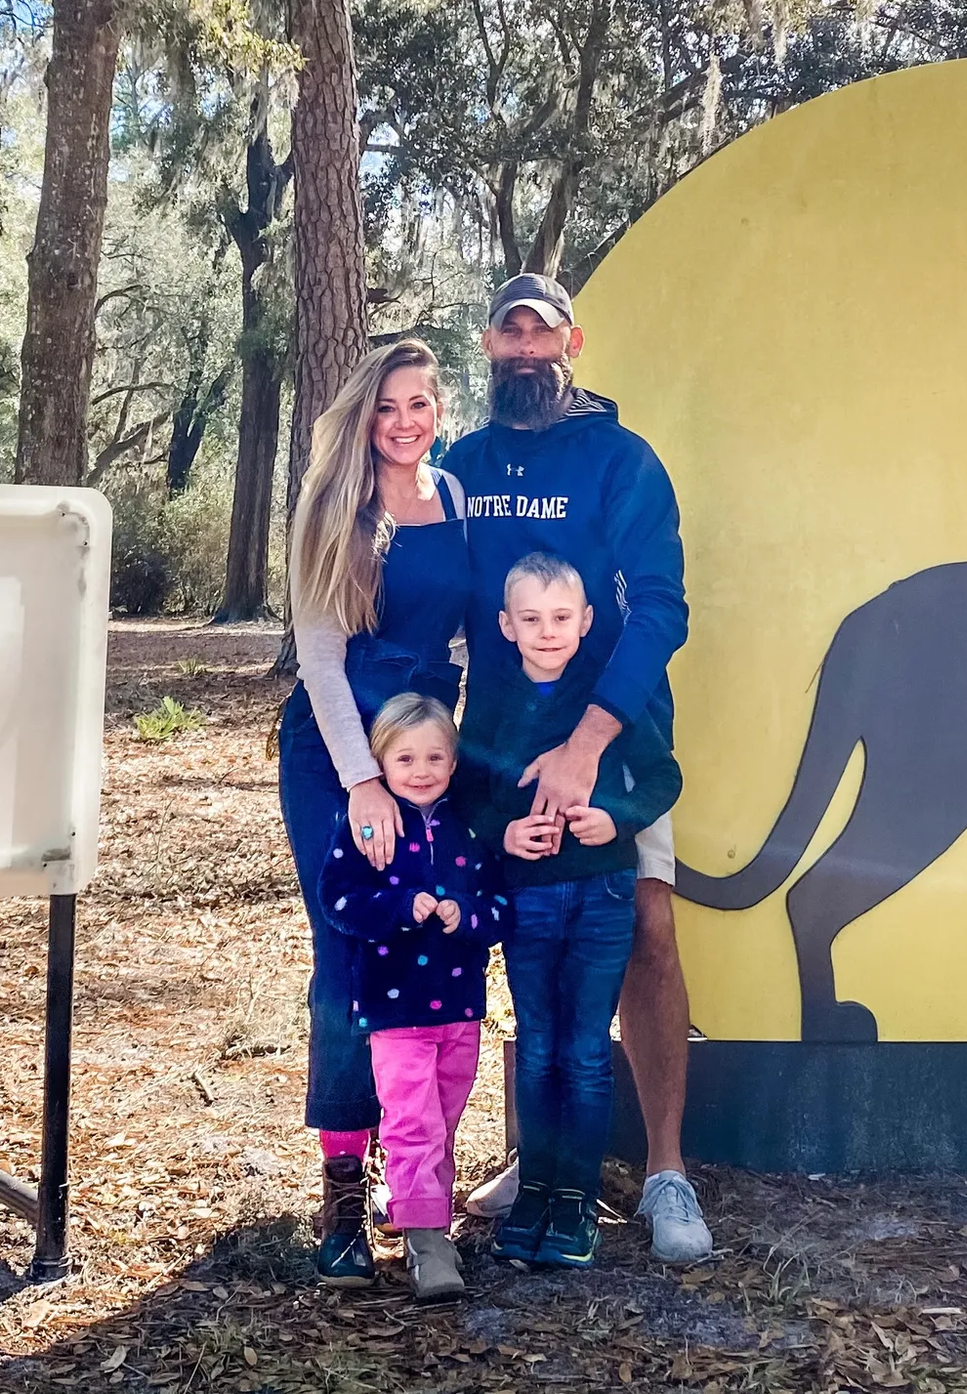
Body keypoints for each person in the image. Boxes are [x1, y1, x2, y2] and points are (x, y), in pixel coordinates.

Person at [444, 273, 714, 1262]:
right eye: (509, 332)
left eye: (541, 333)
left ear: (573, 343)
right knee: (533, 935)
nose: (525, 348)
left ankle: (665, 1169)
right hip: (504, 753)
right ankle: (546, 1158)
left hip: (618, 743)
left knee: (644, 923)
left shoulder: (621, 460)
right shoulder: (461, 465)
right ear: (488, 345)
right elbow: (442, 605)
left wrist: (588, 743)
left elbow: (660, 608)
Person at [279, 339, 470, 1286]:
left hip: (430, 756)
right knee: (351, 956)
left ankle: (419, 1177)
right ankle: (344, 1195)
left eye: (420, 403)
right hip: (339, 755)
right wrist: (362, 779)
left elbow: (474, 634)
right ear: (362, 416)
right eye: (388, 406)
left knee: (433, 954)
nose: (404, 421)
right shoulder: (331, 509)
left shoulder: (456, 497)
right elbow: (318, 656)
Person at [458, 554, 681, 1267]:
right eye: (531, 619)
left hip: (602, 894)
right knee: (539, 1041)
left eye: (561, 618)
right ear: (505, 625)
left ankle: (578, 1201)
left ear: (587, 622)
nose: (547, 632)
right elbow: (468, 792)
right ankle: (536, 1191)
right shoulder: (493, 699)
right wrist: (503, 833)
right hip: (527, 898)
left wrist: (615, 819)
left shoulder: (607, 703)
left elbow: (662, 775)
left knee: (586, 1049)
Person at [316, 693, 508, 1301]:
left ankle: (413, 1203)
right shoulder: (370, 826)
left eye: (434, 757)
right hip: (394, 1011)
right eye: (405, 758)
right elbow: (338, 899)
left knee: (443, 1119)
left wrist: (467, 916)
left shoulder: (469, 829)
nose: (420, 770)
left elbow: (502, 906)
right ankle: (428, 1241)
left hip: (460, 1008)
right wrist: (399, 908)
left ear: (453, 762)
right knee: (411, 1122)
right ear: (380, 762)